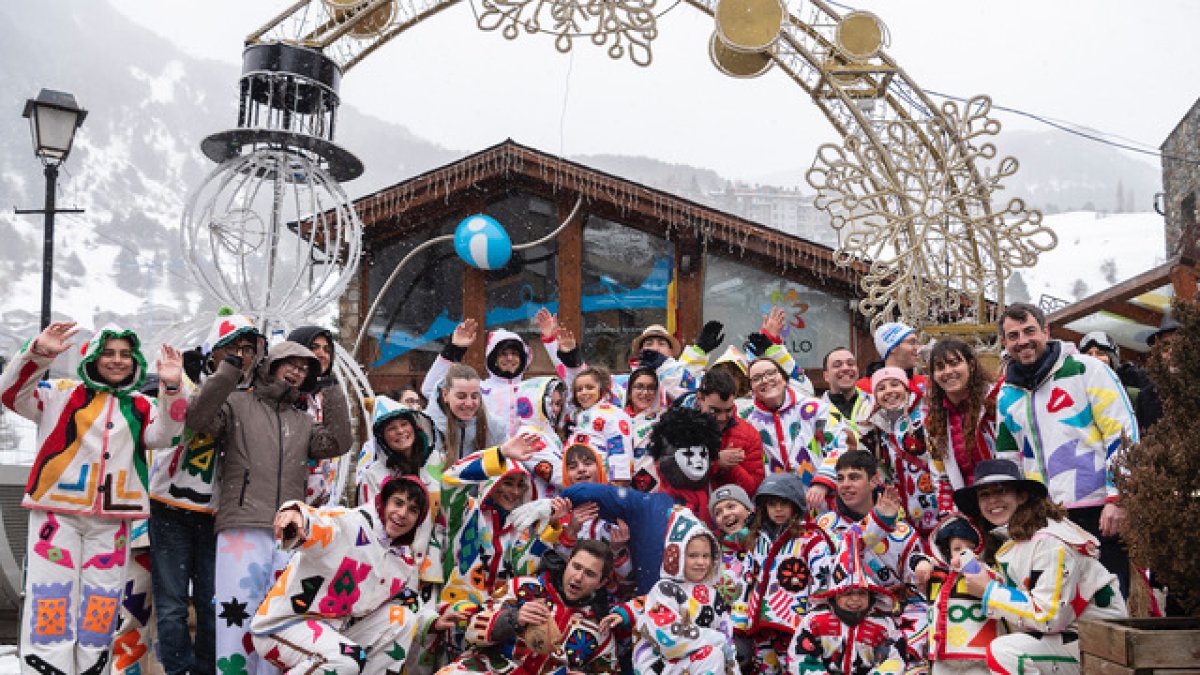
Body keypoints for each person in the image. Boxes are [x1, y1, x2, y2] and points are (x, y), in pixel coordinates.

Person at [1, 321, 186, 675]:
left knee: (100, 611)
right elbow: (10, 395)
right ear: (93, 357)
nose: (117, 360)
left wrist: (173, 386)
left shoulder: (142, 406)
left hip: (112, 522)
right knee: (50, 602)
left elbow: (168, 434)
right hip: (56, 518)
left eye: (125, 354)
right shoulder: (59, 394)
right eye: (109, 353)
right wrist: (37, 353)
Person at [187, 340, 352, 675]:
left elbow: (339, 441)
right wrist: (230, 369)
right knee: (237, 619)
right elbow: (198, 417)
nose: (296, 371)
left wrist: (331, 387)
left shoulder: (303, 421)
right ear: (271, 365)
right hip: (241, 528)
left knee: (280, 620)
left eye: (304, 369)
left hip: (287, 534)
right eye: (289, 364)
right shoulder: (236, 403)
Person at [995, 302, 1138, 595]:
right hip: (1043, 516)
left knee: (1107, 605)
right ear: (1005, 342)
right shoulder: (1006, 394)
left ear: (1046, 331)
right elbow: (1008, 459)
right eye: (1013, 335)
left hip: (1098, 509)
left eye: (1029, 331)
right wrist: (1015, 511)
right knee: (1056, 608)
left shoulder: (1088, 369)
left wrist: (1119, 496)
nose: (1022, 341)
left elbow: (1122, 432)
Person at [148, 309, 261, 675]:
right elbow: (180, 416)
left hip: (217, 516)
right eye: (232, 347)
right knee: (171, 604)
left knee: (214, 604)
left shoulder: (253, 397)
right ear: (213, 349)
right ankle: (177, 671)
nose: (241, 356)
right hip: (169, 508)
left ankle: (205, 670)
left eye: (249, 348)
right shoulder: (184, 379)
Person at [250, 476, 441, 675]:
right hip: (284, 624)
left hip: (333, 630)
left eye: (412, 510)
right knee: (347, 660)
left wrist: (433, 621)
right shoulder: (352, 523)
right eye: (398, 503)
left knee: (402, 620)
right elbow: (321, 522)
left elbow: (405, 600)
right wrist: (296, 514)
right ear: (384, 502)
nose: (402, 514)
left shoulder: (402, 559)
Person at [956, 459, 1127, 674]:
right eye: (984, 495)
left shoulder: (1048, 540)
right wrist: (985, 578)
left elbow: (1049, 618)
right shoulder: (1020, 536)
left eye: (1001, 491)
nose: (993, 501)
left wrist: (989, 591)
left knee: (1005, 652)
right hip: (1073, 638)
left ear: (1022, 496)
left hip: (1100, 645)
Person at [436, 542, 619, 674]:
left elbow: (609, 671)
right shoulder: (522, 587)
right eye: (576, 566)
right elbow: (471, 631)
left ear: (601, 583)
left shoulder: (600, 628)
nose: (578, 577)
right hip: (488, 668)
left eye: (589, 574)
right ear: (568, 562)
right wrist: (513, 619)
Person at [439, 434, 556, 618]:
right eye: (507, 483)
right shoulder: (465, 511)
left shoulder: (517, 526)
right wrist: (500, 454)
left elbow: (521, 569)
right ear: (491, 483)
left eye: (520, 485)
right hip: (452, 615)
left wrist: (552, 526)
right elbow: (449, 479)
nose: (515, 492)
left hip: (493, 622)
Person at [735, 473, 834, 674]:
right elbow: (746, 581)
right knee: (765, 668)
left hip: (795, 621)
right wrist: (739, 618)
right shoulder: (756, 540)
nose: (778, 509)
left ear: (796, 505)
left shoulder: (811, 538)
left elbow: (822, 577)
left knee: (795, 666)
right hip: (760, 623)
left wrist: (816, 615)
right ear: (764, 507)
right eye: (772, 504)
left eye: (784, 503)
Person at [612, 513, 736, 674]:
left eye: (706, 556)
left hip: (698, 665)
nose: (701, 562)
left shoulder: (713, 596)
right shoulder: (664, 589)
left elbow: (727, 640)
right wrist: (716, 640)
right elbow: (668, 638)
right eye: (693, 556)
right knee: (713, 655)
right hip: (660, 665)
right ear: (677, 555)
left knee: (716, 657)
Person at [787, 530, 908, 675]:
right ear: (835, 595)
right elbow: (800, 657)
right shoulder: (814, 621)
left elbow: (894, 660)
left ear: (871, 595)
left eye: (862, 593)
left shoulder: (883, 625)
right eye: (848, 593)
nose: (855, 599)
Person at [743, 355, 851, 513]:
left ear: (784, 378)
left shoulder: (816, 408)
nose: (765, 380)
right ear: (752, 388)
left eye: (771, 373)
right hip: (777, 510)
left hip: (821, 503)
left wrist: (823, 481)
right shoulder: (747, 420)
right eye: (757, 378)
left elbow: (841, 444)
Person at [919, 514, 1004, 674]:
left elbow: (998, 588)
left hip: (979, 654)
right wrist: (921, 563)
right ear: (947, 551)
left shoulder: (987, 573)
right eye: (957, 549)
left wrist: (975, 569)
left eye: (970, 548)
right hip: (942, 655)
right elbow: (916, 562)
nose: (964, 554)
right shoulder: (936, 574)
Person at [860, 367, 938, 538]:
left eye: (895, 384)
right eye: (881, 388)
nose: (889, 391)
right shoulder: (877, 428)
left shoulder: (924, 413)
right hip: (905, 515)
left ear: (906, 388)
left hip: (938, 504)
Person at [924, 339, 999, 517]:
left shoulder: (995, 401)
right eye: (940, 367)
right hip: (969, 508)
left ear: (971, 365)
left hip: (1005, 497)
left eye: (954, 363)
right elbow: (940, 475)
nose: (948, 372)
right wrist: (950, 515)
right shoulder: (934, 421)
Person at [421, 318, 533, 437]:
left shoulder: (533, 390)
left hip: (528, 454)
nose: (509, 358)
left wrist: (553, 346)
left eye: (514, 354)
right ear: (493, 358)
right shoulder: (478, 390)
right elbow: (429, 389)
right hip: (487, 452)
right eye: (503, 354)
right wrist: (455, 349)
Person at [288, 324, 355, 508]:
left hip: (321, 503)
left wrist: (331, 388)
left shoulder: (323, 395)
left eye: (327, 349)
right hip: (290, 503)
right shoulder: (285, 397)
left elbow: (341, 440)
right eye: (314, 347)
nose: (322, 354)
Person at [696, 368, 765, 497]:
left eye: (728, 410)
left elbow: (753, 490)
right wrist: (715, 463)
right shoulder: (680, 426)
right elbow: (671, 475)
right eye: (715, 411)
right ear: (700, 398)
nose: (722, 418)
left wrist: (731, 467)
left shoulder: (749, 434)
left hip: (730, 513)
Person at [425, 362, 506, 467]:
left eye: (474, 396)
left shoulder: (495, 426)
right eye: (461, 396)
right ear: (445, 395)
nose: (469, 403)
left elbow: (501, 469)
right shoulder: (425, 425)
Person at [569, 367, 635, 486]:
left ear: (603, 390)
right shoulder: (581, 416)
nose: (583, 392)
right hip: (584, 483)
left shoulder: (613, 414)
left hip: (606, 486)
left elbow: (620, 450)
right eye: (579, 389)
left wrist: (618, 484)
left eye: (590, 387)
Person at [858, 321, 929, 398]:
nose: (918, 348)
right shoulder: (863, 388)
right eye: (912, 342)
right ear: (892, 347)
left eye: (917, 343)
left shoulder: (924, 384)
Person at [821, 346, 874, 435]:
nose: (845, 368)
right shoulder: (817, 411)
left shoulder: (875, 404)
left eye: (850, 364)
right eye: (837, 365)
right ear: (826, 376)